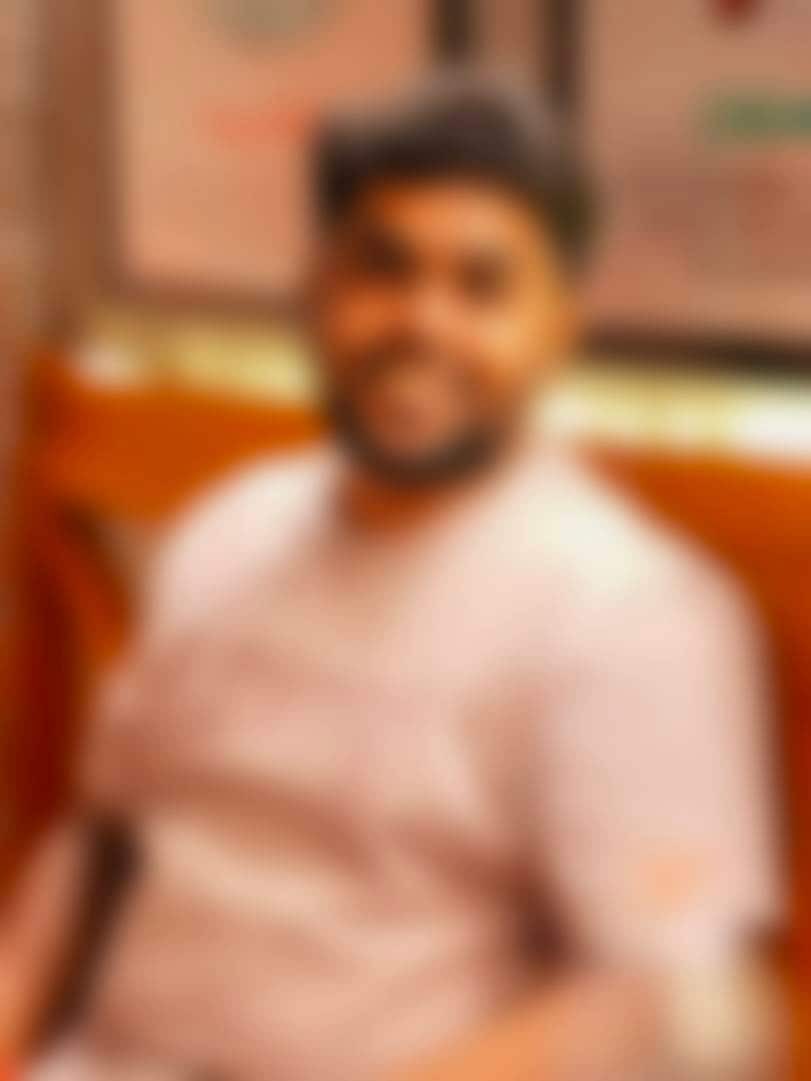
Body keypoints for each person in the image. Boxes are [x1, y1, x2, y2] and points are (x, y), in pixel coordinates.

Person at [2, 74, 782, 1081]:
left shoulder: (629, 612)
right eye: (382, 267)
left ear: (558, 323)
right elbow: (103, 837)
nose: (422, 321)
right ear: (317, 292)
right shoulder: (229, 528)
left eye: (481, 285)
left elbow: (679, 1011)